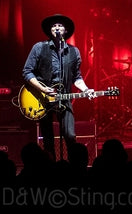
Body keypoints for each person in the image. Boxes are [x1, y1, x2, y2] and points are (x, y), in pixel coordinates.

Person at [22, 13, 97, 162]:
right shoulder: (39, 47)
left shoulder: (74, 51)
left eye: (60, 25)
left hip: (64, 97)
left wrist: (86, 89)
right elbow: (27, 71)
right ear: (50, 30)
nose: (56, 27)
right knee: (48, 138)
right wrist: (42, 88)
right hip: (42, 98)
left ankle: (73, 169)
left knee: (70, 135)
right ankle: (50, 171)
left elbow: (77, 77)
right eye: (53, 25)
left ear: (66, 30)